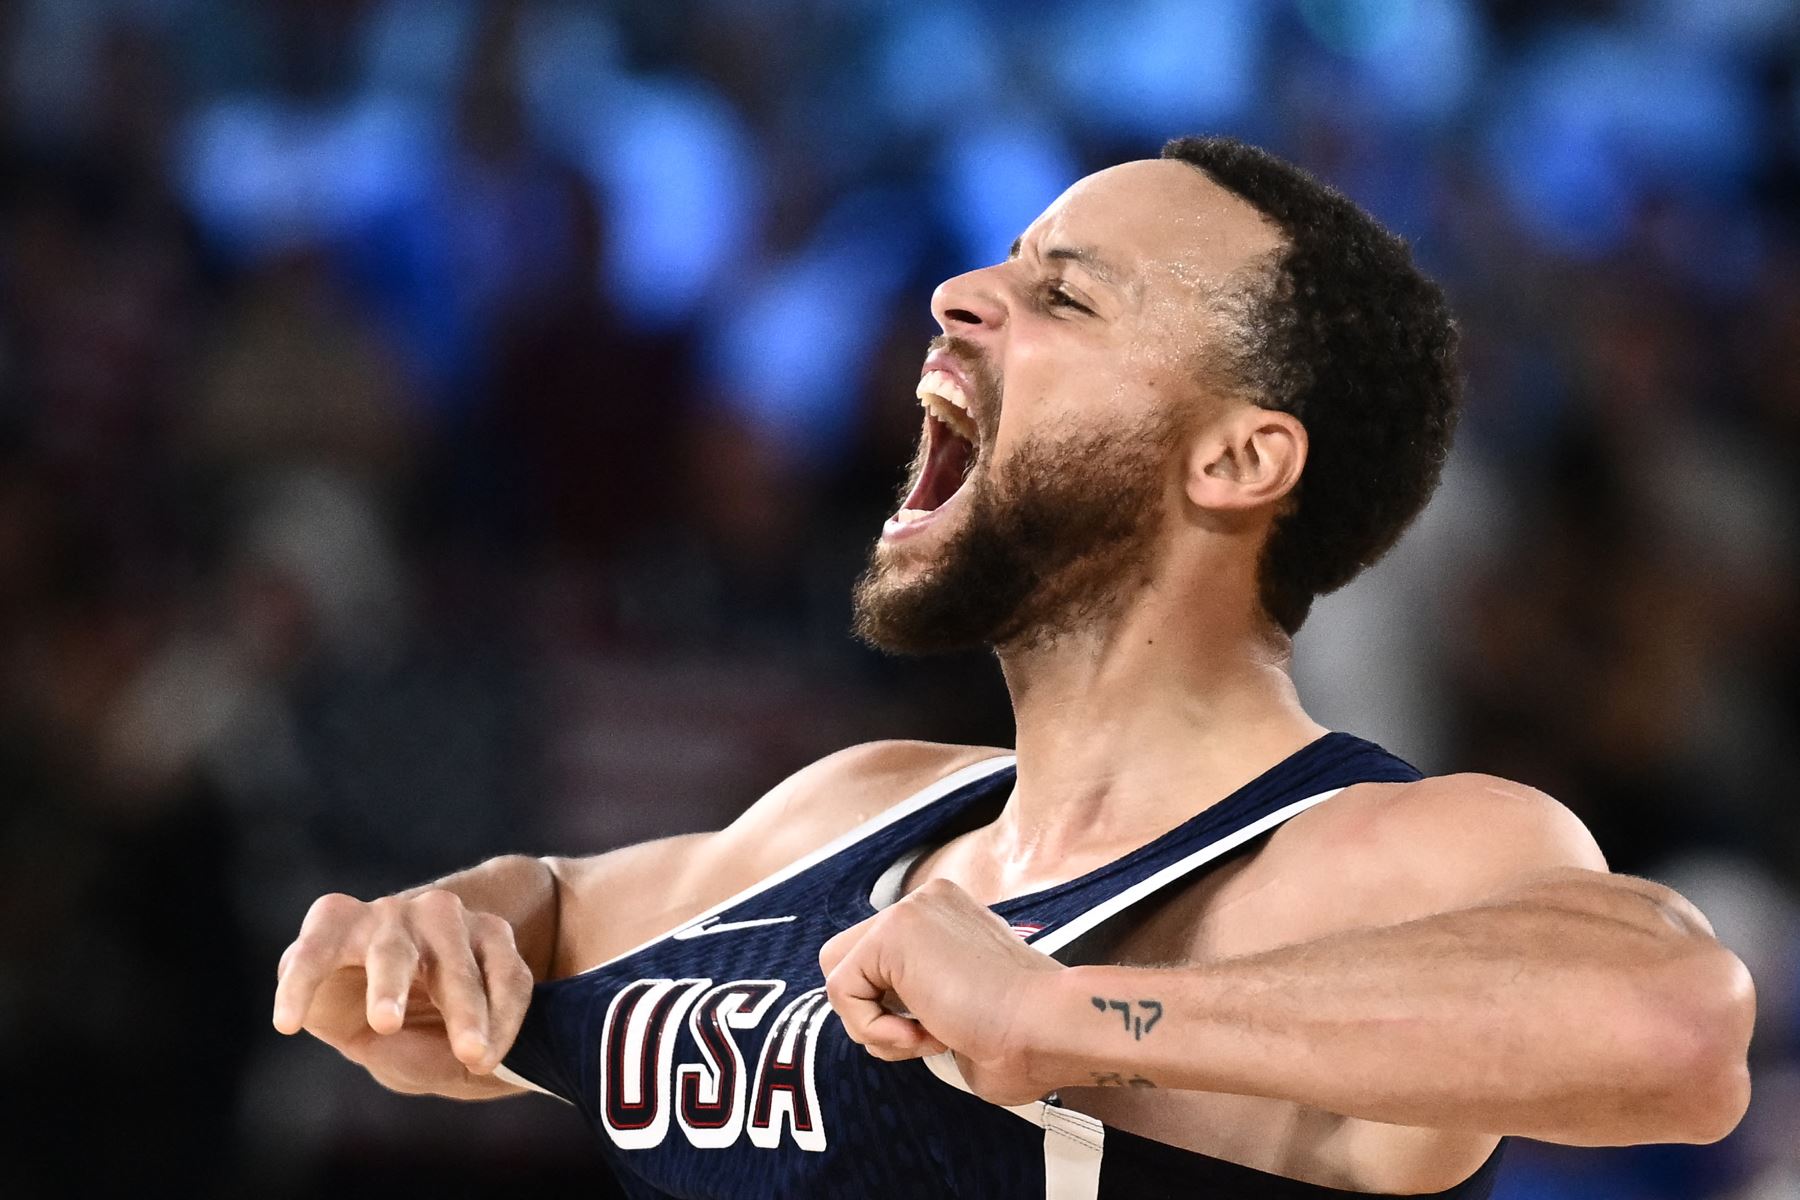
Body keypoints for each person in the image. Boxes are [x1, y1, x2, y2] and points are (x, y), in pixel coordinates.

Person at [271, 137, 1755, 1198]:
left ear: (1240, 458)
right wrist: (443, 929)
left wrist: (1064, 1017)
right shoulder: (847, 814)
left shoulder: (1354, 858)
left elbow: (1676, 1030)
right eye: (1000, 265)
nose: (962, 296)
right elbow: (549, 910)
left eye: (1066, 296)